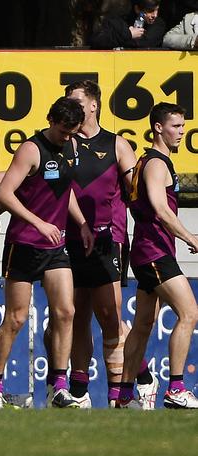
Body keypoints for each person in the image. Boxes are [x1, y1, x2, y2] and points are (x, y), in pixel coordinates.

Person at [55, 80, 160, 409]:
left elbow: (136, 192)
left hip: (108, 239)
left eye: (76, 101)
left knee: (110, 315)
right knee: (77, 314)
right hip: (69, 239)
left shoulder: (117, 145)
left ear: (93, 106)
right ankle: (79, 390)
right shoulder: (62, 143)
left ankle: (125, 389)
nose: (70, 106)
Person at [0, 97, 93, 409]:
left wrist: (82, 223)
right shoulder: (31, 150)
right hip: (24, 243)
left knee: (66, 312)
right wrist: (38, 222)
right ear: (51, 121)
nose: (67, 138)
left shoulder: (71, 147)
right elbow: (5, 193)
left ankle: (58, 387)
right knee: (16, 318)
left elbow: (65, 190)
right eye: (63, 132)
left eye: (72, 133)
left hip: (55, 245)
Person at [117, 103, 198, 409]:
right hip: (154, 252)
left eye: (182, 125)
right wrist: (190, 237)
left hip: (149, 250)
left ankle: (124, 396)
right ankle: (176, 389)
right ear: (158, 128)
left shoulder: (150, 162)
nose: (181, 131)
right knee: (189, 313)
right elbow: (160, 209)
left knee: (142, 325)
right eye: (176, 126)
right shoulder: (154, 163)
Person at [90, 0, 165, 49]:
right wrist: (129, 34)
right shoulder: (119, 21)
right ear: (137, 9)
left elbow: (143, 44)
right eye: (150, 11)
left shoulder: (158, 24)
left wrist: (121, 39)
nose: (155, 15)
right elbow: (97, 41)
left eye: (157, 10)